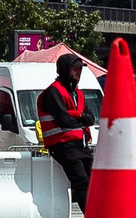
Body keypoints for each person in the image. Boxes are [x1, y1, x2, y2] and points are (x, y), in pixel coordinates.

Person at [34, 51, 94, 208]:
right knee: (81, 181)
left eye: (80, 69)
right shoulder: (53, 92)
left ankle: (99, 216)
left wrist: (77, 114)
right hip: (62, 145)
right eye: (75, 69)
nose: (78, 72)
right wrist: (81, 119)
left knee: (95, 180)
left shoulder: (78, 93)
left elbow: (91, 119)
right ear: (64, 69)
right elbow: (64, 120)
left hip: (80, 144)